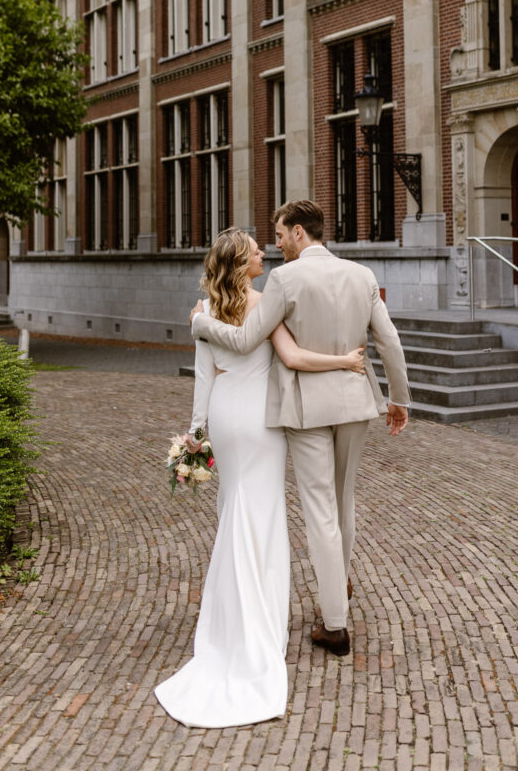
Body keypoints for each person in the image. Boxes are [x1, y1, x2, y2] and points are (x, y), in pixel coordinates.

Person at [154, 227, 367, 729]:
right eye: (253, 248)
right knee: (262, 514)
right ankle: (258, 622)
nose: (261, 252)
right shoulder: (264, 302)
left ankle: (232, 618)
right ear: (239, 262)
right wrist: (345, 360)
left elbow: (205, 377)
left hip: (226, 417)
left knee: (236, 509)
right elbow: (292, 358)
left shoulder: (204, 310)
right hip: (260, 418)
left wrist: (195, 432)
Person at [190, 200, 411, 658]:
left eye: (279, 233)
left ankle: (335, 624)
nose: (274, 244)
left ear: (297, 233)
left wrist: (201, 325)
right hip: (355, 401)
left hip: (307, 409)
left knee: (320, 510)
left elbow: (247, 339)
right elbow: (389, 340)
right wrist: (399, 400)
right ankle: (338, 585)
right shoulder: (361, 275)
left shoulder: (284, 280)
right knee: (343, 499)